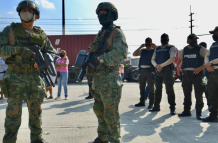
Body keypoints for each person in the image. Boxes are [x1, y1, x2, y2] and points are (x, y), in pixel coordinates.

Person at [0, 0, 56, 143]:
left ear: (35, 15)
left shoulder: (40, 33)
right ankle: (9, 140)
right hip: (15, 77)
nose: (25, 13)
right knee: (13, 113)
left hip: (35, 76)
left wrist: (44, 61)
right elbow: (1, 49)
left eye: (29, 11)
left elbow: (50, 51)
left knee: (36, 111)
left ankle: (36, 138)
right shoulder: (9, 30)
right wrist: (18, 50)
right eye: (23, 10)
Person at [87, 2, 128, 143]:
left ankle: (114, 140)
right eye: (99, 13)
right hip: (97, 80)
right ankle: (102, 138)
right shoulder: (100, 34)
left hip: (110, 79)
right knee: (99, 111)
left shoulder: (116, 32)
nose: (101, 15)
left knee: (111, 114)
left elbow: (120, 54)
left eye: (104, 13)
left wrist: (100, 59)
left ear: (112, 14)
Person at [177, 34, 207, 120]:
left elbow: (207, 59)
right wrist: (178, 68)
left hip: (198, 74)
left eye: (195, 39)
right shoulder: (184, 50)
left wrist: (201, 68)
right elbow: (179, 60)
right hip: (186, 74)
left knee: (199, 93)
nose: (194, 41)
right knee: (186, 94)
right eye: (192, 40)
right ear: (188, 41)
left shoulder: (201, 49)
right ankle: (186, 111)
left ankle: (199, 112)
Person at [149, 33, 177, 115]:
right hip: (158, 72)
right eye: (162, 38)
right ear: (160, 39)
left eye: (165, 38)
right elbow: (152, 59)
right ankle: (156, 106)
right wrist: (156, 66)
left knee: (169, 90)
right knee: (157, 90)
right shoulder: (157, 49)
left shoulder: (171, 47)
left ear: (168, 39)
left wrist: (160, 65)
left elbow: (172, 58)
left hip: (168, 72)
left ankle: (172, 108)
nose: (163, 39)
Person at [133, 37, 156, 109]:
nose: (148, 43)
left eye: (149, 42)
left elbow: (160, 52)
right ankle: (142, 102)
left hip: (150, 71)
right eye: (147, 42)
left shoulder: (154, 51)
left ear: (151, 43)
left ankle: (151, 103)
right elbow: (134, 54)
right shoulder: (142, 50)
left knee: (151, 88)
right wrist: (140, 47)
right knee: (142, 87)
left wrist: (155, 47)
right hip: (142, 71)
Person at [202, 26, 218, 122]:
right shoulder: (213, 45)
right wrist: (208, 65)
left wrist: (211, 63)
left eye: (216, 32)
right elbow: (207, 55)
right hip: (212, 72)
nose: (214, 35)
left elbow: (210, 60)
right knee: (212, 95)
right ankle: (213, 115)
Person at [199, 42, 210, 109]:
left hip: (204, 75)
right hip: (206, 75)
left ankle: (204, 104)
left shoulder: (203, 52)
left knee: (204, 89)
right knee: (207, 90)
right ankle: (209, 104)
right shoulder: (208, 52)